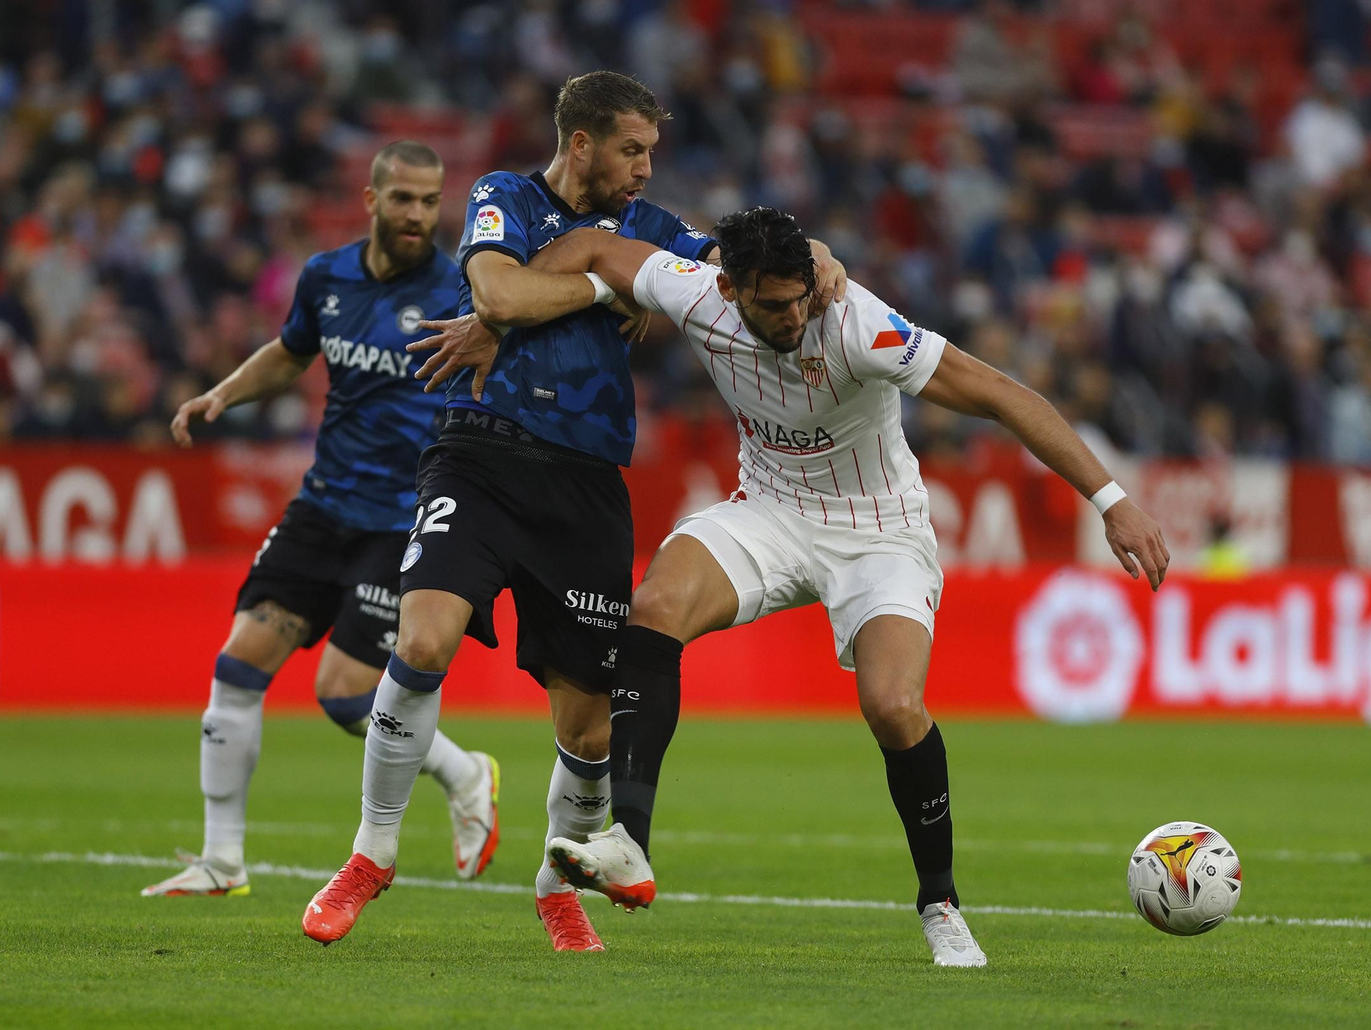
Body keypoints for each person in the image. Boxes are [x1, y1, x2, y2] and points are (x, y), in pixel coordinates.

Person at [505, 207, 1170, 966]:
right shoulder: (693, 290)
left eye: (799, 299)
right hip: (768, 512)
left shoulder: (858, 324)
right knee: (653, 608)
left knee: (892, 704)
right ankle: (629, 842)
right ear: (730, 289)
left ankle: (941, 902)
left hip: (879, 531)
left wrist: (1113, 503)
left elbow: (1000, 395)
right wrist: (490, 316)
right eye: (772, 305)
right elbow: (593, 246)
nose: (792, 316)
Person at [300, 73, 845, 951]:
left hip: (588, 479)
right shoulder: (504, 196)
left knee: (588, 721)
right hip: (479, 450)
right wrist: (607, 280)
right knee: (423, 640)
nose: (644, 168)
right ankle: (371, 854)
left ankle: (559, 888)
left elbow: (758, 262)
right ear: (582, 143)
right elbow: (501, 298)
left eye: (652, 153)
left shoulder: (659, 232)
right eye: (632, 150)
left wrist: (818, 254)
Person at [141, 141, 500, 898]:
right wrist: (221, 396)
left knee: (343, 695)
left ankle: (468, 775)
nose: (418, 215)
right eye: (403, 199)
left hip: (400, 518)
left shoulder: (461, 290)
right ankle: (222, 862)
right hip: (322, 504)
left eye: (432, 201)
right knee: (237, 667)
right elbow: (289, 351)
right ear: (370, 201)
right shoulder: (326, 277)